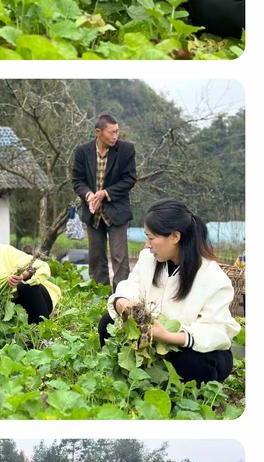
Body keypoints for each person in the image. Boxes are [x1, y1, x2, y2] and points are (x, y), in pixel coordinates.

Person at [99, 198, 241, 384]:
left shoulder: (212, 277)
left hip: (184, 343)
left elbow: (217, 331)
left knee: (194, 364)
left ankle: (163, 378)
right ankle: (148, 373)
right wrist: (124, 303)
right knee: (107, 323)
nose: (147, 245)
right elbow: (131, 285)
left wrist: (168, 336)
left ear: (175, 237)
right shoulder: (148, 259)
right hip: (152, 339)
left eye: (151, 238)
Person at [72, 113, 136, 290]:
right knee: (96, 258)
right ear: (98, 132)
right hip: (93, 212)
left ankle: (121, 296)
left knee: (119, 257)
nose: (115, 136)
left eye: (117, 132)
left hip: (116, 211)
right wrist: (89, 195)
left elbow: (129, 180)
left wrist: (105, 193)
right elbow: (77, 181)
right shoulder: (83, 152)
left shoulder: (126, 150)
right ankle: (100, 296)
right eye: (111, 132)